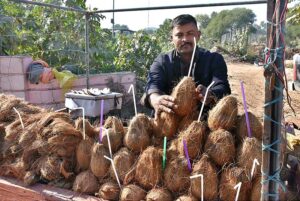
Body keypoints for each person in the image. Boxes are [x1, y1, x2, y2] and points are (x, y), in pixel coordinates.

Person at [141, 14, 231, 118]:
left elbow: (223, 86)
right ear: (171, 39)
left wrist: (211, 94)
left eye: (190, 33)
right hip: (169, 122)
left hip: (203, 122)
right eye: (179, 35)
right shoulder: (162, 61)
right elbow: (153, 85)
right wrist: (155, 99)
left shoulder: (214, 59)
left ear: (198, 35)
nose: (185, 39)